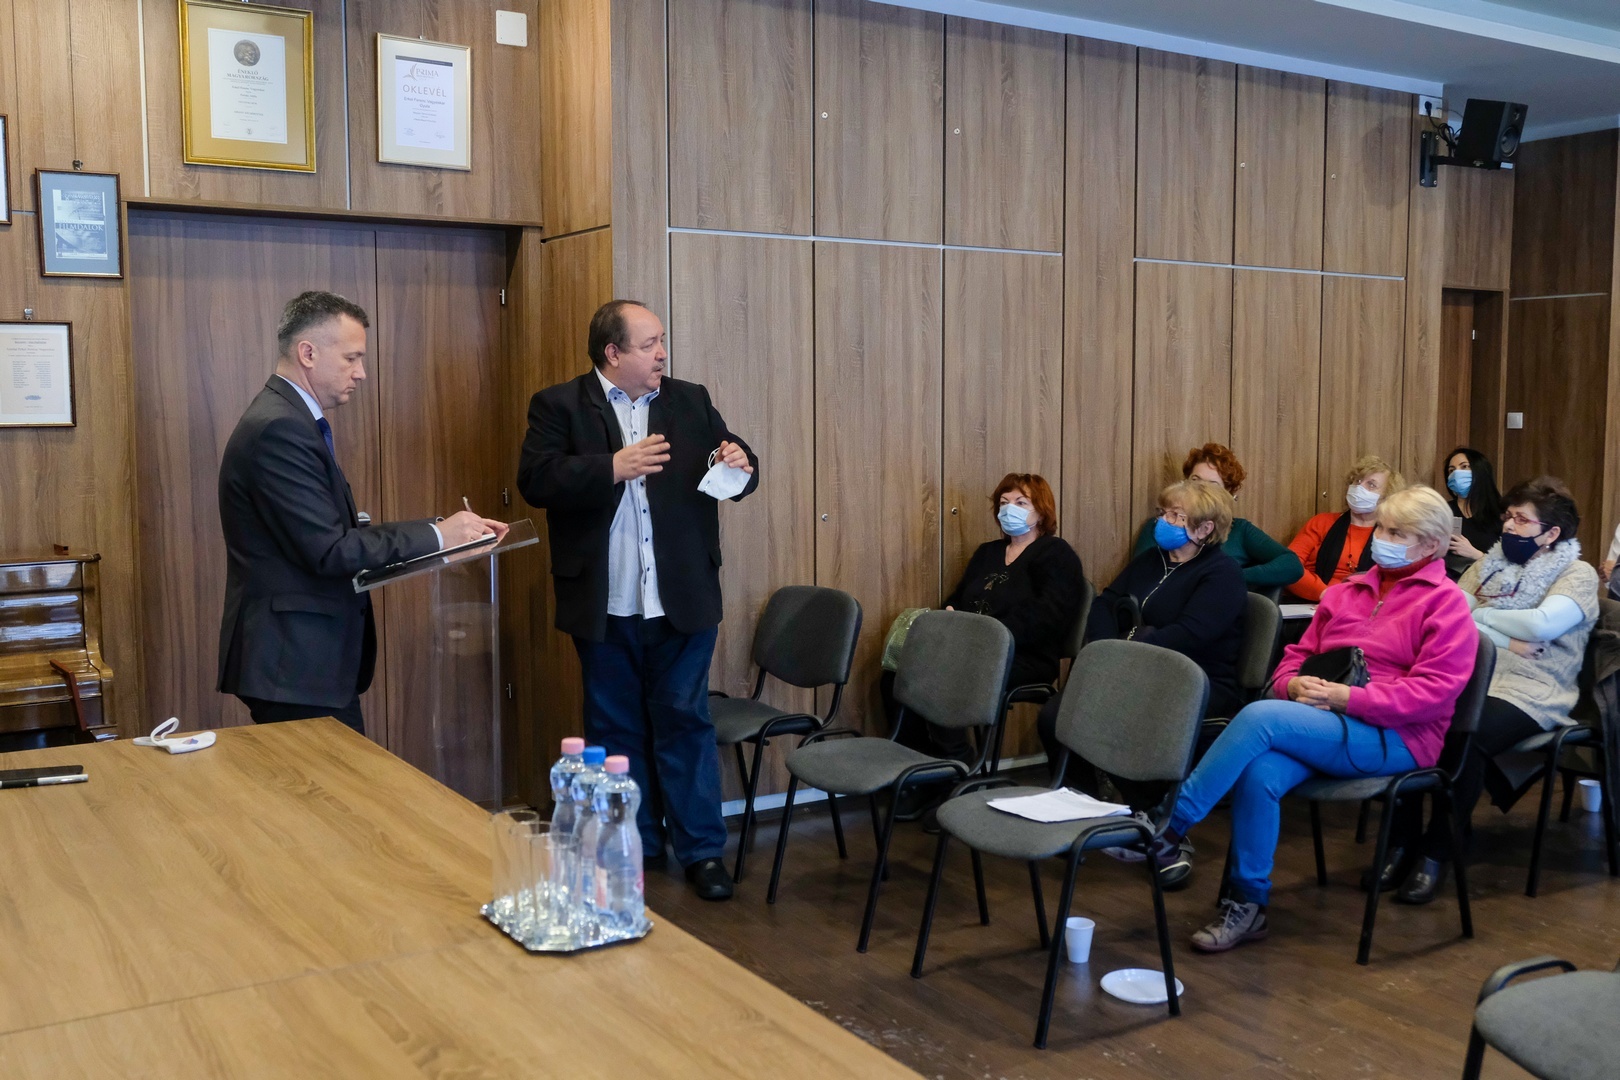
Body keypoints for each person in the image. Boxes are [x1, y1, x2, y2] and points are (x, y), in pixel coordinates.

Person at [1149, 486, 1476, 953]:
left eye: (1396, 533)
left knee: (1260, 718)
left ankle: (1169, 825)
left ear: (1431, 545)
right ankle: (1248, 903)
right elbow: (1294, 657)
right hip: (1323, 720)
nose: (1380, 539)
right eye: (1382, 528)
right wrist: (1292, 685)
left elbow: (1433, 694)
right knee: (1261, 773)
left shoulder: (1447, 604)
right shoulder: (1346, 593)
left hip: (1399, 737)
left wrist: (1350, 698)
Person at [516, 299, 758, 902]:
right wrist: (611, 467)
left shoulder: (689, 400)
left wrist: (741, 460)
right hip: (606, 602)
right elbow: (536, 481)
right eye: (650, 345)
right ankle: (637, 846)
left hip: (682, 598)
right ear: (613, 353)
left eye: (662, 342)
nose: (662, 355)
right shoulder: (559, 405)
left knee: (685, 722)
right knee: (615, 729)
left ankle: (703, 852)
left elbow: (739, 469)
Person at [217, 291, 506, 734]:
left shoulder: (289, 418)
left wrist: (440, 534)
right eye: (351, 358)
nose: (362, 373)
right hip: (294, 665)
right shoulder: (280, 427)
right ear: (308, 353)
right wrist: (438, 536)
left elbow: (331, 537)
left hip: (305, 664)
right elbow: (331, 550)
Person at [1387, 478, 1599, 904]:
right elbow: (1448, 614)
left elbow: (1542, 625)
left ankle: (1435, 851)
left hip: (1534, 688)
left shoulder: (1577, 573)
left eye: (1521, 519)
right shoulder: (1489, 563)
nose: (1508, 526)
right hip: (1468, 674)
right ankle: (1402, 842)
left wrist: (1481, 616)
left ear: (1552, 533)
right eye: (1508, 516)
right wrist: (1505, 636)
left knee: (1468, 735)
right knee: (1412, 723)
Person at [1038, 480, 1247, 873]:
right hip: (1133, 670)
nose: (1163, 521)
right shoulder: (1152, 560)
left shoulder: (1223, 574)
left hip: (1193, 682)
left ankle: (1154, 818)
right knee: (1056, 714)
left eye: (1176, 516)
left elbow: (1189, 634)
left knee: (1121, 718)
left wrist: (1130, 647)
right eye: (1163, 512)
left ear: (1204, 528)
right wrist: (1107, 647)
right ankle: (1087, 810)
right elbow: (1106, 602)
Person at [930, 473, 1083, 760]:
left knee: (945, 673)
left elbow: (1048, 618)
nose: (1009, 508)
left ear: (1041, 512)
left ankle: (957, 765)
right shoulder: (987, 553)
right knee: (902, 671)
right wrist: (950, 610)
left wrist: (985, 638)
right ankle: (924, 767)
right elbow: (957, 597)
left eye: (1021, 502)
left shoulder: (1055, 553)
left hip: (1023, 656)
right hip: (969, 647)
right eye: (1004, 502)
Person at [1131, 443, 1302, 592]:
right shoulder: (1164, 524)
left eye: (1212, 485)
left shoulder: (1239, 530)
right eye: (1195, 480)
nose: (1200, 490)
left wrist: (1230, 576)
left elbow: (1291, 565)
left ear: (1228, 494)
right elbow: (1139, 575)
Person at [1286, 455, 1405, 603]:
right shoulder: (1321, 522)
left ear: (1387, 496)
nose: (1360, 488)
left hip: (1366, 607)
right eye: (1357, 481)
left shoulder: (1391, 535)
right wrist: (1325, 595)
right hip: (1314, 604)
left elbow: (1396, 581)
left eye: (1371, 485)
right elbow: (1287, 566)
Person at [1440, 447, 1504, 582]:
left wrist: (1475, 554)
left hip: (1487, 584)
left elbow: (1510, 566)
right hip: (1449, 583)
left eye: (1464, 467)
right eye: (1451, 470)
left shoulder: (1501, 512)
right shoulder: (1443, 511)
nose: (1456, 473)